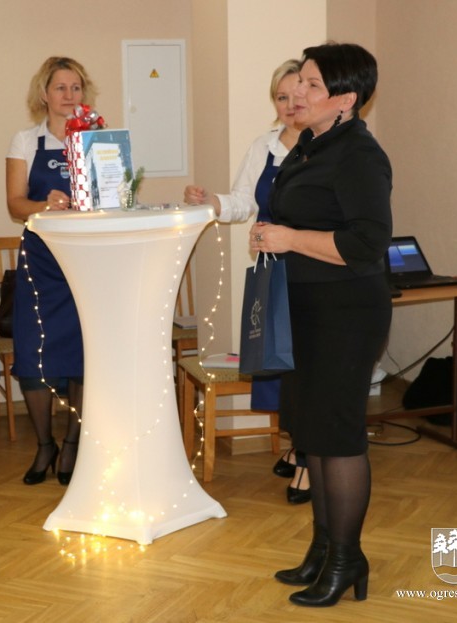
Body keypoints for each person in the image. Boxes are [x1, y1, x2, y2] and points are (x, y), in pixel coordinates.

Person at [249, 43, 392, 607]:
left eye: (312, 85)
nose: (299, 94)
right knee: (312, 435)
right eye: (300, 82)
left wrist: (287, 237)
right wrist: (270, 234)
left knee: (338, 435)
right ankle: (323, 549)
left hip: (345, 312)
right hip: (303, 307)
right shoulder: (308, 146)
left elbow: (366, 242)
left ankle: (347, 558)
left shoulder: (359, 155)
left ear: (346, 99)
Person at [183, 59, 310, 504]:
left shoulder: (326, 146)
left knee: (308, 366)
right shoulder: (265, 146)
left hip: (313, 270)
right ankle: (298, 444)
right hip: (273, 273)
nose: (290, 104)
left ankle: (308, 460)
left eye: (297, 95)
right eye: (281, 97)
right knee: (280, 364)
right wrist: (211, 201)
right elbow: (242, 201)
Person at [6, 57, 96, 485]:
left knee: (82, 354)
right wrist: (45, 204)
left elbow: (112, 194)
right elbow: (14, 204)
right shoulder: (26, 140)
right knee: (32, 355)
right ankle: (45, 444)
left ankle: (73, 444)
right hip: (40, 263)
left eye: (76, 88)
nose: (69, 95)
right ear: (44, 94)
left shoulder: (95, 137)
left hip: (85, 261)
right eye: (61, 87)